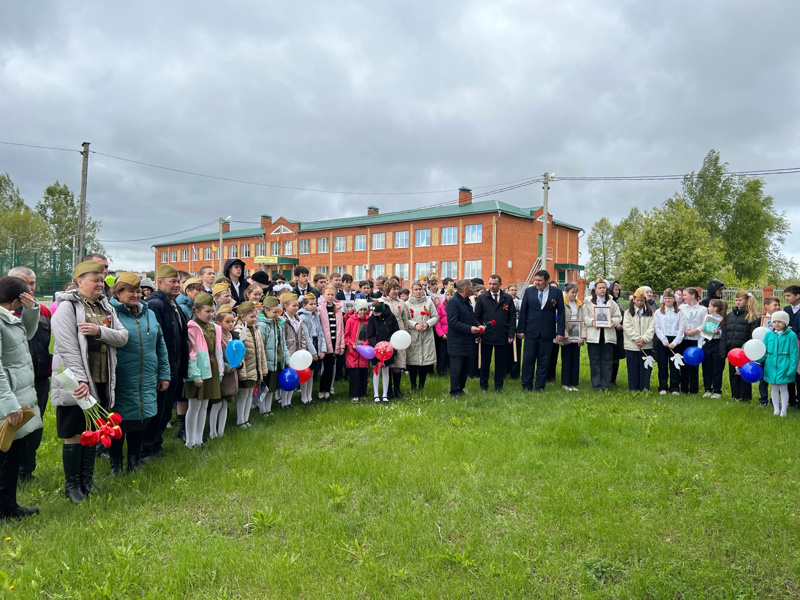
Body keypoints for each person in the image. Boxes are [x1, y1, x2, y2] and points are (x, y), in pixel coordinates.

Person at [51, 261, 128, 503]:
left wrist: (99, 331)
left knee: (92, 429)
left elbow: (123, 337)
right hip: (77, 381)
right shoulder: (67, 308)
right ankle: (72, 486)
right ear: (78, 283)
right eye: (94, 279)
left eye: (101, 279)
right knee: (74, 432)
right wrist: (80, 380)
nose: (99, 283)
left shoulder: (106, 308)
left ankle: (87, 480)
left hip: (102, 378)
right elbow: (67, 347)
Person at [109, 273, 170, 474]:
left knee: (139, 420)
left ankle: (133, 462)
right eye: (131, 291)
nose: (136, 295)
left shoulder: (148, 314)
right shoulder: (110, 314)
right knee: (119, 421)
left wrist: (164, 373)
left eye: (138, 291)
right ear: (118, 293)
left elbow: (160, 344)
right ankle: (116, 463)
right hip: (122, 376)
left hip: (147, 375)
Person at [0, 276, 43, 521]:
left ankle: (8, 506)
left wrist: (31, 309)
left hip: (17, 395)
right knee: (4, 456)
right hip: (8, 400)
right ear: (17, 298)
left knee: (13, 453)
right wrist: (10, 405)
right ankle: (3, 509)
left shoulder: (9, 319)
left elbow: (25, 334)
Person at [8, 266, 51, 483]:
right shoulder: (5, 312)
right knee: (13, 427)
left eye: (32, 283)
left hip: (39, 379)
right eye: (23, 283)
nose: (29, 288)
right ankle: (11, 472)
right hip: (12, 383)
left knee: (35, 426)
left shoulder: (42, 310)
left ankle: (27, 470)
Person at [141, 264, 189, 460]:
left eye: (178, 281)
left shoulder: (173, 304)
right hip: (163, 366)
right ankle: (146, 448)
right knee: (157, 409)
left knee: (165, 409)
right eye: (173, 281)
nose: (177, 285)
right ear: (160, 283)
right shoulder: (156, 304)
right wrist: (161, 369)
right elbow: (155, 340)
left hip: (174, 365)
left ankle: (155, 444)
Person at [184, 293, 222, 446]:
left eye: (212, 311)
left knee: (205, 404)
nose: (211, 314)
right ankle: (190, 440)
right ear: (197, 311)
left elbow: (218, 350)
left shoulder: (214, 327)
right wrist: (195, 375)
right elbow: (191, 353)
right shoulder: (192, 328)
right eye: (207, 311)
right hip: (198, 370)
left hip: (211, 368)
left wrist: (220, 371)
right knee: (194, 406)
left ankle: (199, 440)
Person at [517, 270, 565, 392]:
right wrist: (521, 330)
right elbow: (523, 312)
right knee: (528, 359)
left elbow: (561, 314)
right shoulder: (529, 291)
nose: (537, 283)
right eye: (536, 280)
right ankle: (527, 385)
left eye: (540, 281)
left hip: (547, 332)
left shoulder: (557, 292)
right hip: (531, 331)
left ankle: (540, 386)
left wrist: (560, 332)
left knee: (544, 360)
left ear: (547, 280)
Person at [474, 274, 515, 393]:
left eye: (494, 284)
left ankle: (499, 386)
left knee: (500, 363)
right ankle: (484, 386)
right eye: (490, 284)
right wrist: (479, 333)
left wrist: (511, 333)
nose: (492, 286)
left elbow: (512, 317)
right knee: (485, 362)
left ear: (500, 284)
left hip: (502, 334)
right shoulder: (482, 298)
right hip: (487, 335)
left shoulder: (507, 298)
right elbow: (476, 317)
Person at [582, 278, 623, 392]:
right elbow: (584, 317)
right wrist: (593, 322)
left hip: (608, 335)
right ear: (595, 289)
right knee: (594, 361)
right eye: (600, 288)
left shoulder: (611, 302)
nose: (602, 290)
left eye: (604, 288)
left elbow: (618, 317)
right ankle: (596, 385)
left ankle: (606, 385)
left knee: (607, 360)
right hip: (593, 335)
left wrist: (612, 322)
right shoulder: (588, 302)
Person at [720, 289, 759, 402]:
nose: (737, 302)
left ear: (746, 301)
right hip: (732, 351)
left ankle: (745, 398)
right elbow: (725, 334)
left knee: (744, 374)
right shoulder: (730, 316)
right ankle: (735, 396)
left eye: (740, 300)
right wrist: (723, 350)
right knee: (733, 374)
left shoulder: (751, 317)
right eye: (736, 300)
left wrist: (749, 350)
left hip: (744, 351)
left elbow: (752, 335)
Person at [233, 302, 267, 427]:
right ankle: (240, 420)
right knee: (243, 396)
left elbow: (260, 350)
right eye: (251, 317)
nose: (254, 319)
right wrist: (242, 370)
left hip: (254, 368)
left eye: (254, 317)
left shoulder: (255, 329)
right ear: (242, 317)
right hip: (245, 369)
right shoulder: (239, 331)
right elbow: (238, 353)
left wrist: (262, 368)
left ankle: (246, 419)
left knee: (248, 395)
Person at [760, 311, 799, 417]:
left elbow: (794, 353)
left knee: (783, 387)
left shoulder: (791, 335)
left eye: (780, 322)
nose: (777, 324)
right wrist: (759, 360)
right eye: (774, 321)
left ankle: (784, 410)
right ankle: (776, 409)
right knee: (774, 387)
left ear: (785, 323)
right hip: (771, 365)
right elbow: (764, 350)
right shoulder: (768, 335)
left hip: (784, 365)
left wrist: (792, 369)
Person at [446, 279, 481, 397]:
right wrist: (469, 329)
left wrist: (478, 326)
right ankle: (454, 391)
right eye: (471, 287)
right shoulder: (453, 302)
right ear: (465, 289)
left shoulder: (467, 302)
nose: (473, 289)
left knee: (465, 366)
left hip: (468, 340)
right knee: (457, 368)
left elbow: (472, 317)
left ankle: (461, 388)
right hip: (457, 341)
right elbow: (452, 322)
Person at [406, 280, 440, 394]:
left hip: (426, 335)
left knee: (424, 362)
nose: (418, 291)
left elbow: (435, 316)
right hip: (414, 334)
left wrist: (427, 323)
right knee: (413, 362)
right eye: (416, 289)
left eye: (420, 289)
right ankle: (413, 384)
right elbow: (406, 319)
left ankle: (421, 385)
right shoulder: (407, 304)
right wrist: (415, 325)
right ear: (412, 290)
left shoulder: (429, 302)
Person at [256, 296, 287, 415]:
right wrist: (262, 363)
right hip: (266, 361)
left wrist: (286, 358)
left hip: (275, 360)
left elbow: (282, 342)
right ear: (266, 311)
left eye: (278, 312)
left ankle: (268, 409)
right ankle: (262, 409)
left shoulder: (278, 324)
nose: (276, 315)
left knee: (271, 388)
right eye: (274, 312)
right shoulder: (262, 326)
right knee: (265, 387)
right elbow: (261, 345)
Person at [381, 279, 410, 399]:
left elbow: (405, 319)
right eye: (394, 289)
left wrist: (405, 333)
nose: (396, 291)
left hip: (399, 334)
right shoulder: (381, 302)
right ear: (388, 289)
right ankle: (387, 390)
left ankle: (397, 389)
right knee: (388, 363)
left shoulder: (402, 303)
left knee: (398, 363)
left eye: (398, 289)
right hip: (386, 333)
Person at [654, 289, 686, 396]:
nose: (668, 300)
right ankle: (663, 386)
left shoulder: (680, 312)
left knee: (675, 365)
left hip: (675, 340)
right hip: (663, 340)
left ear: (674, 299)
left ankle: (674, 387)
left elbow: (682, 328)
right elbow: (657, 327)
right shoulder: (658, 312)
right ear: (663, 299)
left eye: (670, 298)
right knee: (662, 364)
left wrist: (675, 342)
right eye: (666, 298)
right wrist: (664, 340)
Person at [623, 288, 655, 391]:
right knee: (633, 367)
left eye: (642, 300)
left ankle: (644, 387)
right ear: (633, 300)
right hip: (632, 345)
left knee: (645, 367)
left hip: (646, 345)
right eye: (638, 300)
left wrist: (644, 339)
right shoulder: (628, 313)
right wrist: (637, 339)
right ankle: (633, 387)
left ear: (645, 300)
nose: (640, 302)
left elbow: (652, 328)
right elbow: (628, 328)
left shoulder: (650, 313)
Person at [367, 298, 398, 403]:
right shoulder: (372, 319)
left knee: (386, 370)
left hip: (388, 349)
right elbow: (370, 335)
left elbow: (395, 331)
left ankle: (385, 394)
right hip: (377, 349)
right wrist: (377, 346)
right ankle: (376, 394)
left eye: (376, 312)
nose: (374, 314)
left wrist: (389, 344)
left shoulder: (391, 317)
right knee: (376, 370)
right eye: (373, 312)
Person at [679, 288, 708, 395]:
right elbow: (679, 320)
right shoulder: (681, 308)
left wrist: (696, 330)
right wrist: (684, 330)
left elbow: (705, 323)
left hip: (696, 339)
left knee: (694, 364)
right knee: (684, 364)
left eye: (685, 295)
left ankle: (694, 389)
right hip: (684, 338)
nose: (683, 297)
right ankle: (684, 387)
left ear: (692, 296)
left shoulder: (703, 309)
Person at [317, 286, 344, 401]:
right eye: (328, 294)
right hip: (325, 342)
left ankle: (327, 391)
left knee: (331, 368)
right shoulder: (319, 309)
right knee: (326, 368)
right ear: (323, 295)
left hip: (335, 341)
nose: (330, 296)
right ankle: (321, 390)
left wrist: (341, 345)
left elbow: (341, 327)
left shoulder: (337, 309)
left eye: (332, 294)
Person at [214, 304, 239, 432]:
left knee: (225, 403)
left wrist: (239, 363)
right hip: (221, 374)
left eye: (232, 321)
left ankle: (221, 431)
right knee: (217, 404)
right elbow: (217, 355)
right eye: (227, 322)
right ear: (219, 323)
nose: (231, 324)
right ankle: (213, 431)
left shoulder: (233, 337)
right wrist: (229, 367)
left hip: (231, 375)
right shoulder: (218, 338)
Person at [297, 294, 325, 404]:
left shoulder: (316, 316)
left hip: (316, 342)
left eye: (315, 304)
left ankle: (309, 396)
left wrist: (322, 350)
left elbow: (321, 333)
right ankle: (304, 397)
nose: (314, 306)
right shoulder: (302, 317)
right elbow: (306, 337)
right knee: (306, 373)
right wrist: (313, 352)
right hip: (308, 346)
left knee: (312, 373)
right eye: (311, 304)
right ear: (304, 305)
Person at [344, 299, 371, 403]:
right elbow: (346, 335)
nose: (363, 312)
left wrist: (364, 344)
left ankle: (362, 393)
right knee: (354, 374)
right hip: (353, 352)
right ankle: (354, 394)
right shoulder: (351, 320)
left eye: (365, 310)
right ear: (357, 310)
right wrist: (351, 344)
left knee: (363, 373)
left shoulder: (368, 321)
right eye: (361, 310)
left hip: (364, 351)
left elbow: (369, 335)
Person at [280, 294, 304, 408]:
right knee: (287, 377)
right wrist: (287, 355)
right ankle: (284, 401)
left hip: (297, 352)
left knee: (293, 378)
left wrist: (303, 351)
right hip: (288, 352)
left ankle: (289, 401)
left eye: (297, 305)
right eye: (293, 305)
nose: (296, 308)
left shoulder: (298, 319)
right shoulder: (283, 321)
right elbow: (282, 339)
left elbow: (302, 336)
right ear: (285, 306)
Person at [758, 296, 783, 406]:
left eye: (778, 305)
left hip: (777, 353)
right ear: (766, 306)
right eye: (775, 305)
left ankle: (775, 400)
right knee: (763, 377)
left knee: (775, 376)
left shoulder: (782, 321)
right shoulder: (760, 320)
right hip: (763, 352)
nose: (777, 307)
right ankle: (763, 399)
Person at [700, 299, 726, 399]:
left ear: (715, 308)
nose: (708, 308)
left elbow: (724, 333)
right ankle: (707, 389)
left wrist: (718, 333)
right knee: (706, 367)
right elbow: (703, 331)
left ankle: (717, 390)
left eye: (710, 306)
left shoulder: (723, 319)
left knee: (717, 368)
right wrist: (700, 345)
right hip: (707, 343)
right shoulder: (707, 317)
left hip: (717, 344)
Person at [560, 282, 583, 391]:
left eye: (576, 293)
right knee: (566, 359)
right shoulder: (562, 303)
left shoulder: (579, 304)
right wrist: (565, 335)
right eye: (572, 292)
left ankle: (574, 383)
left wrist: (582, 336)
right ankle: (565, 383)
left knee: (575, 359)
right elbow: (559, 321)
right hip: (567, 335)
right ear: (566, 292)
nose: (574, 295)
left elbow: (582, 320)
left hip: (576, 335)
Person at [782, 285, 800, 407]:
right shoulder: (786, 309)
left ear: (797, 296)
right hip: (787, 345)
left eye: (789, 295)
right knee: (788, 371)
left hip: (798, 343)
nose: (786, 298)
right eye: (785, 296)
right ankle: (790, 400)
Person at [609, 281, 626, 386]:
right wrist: (615, 324)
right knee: (609, 356)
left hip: (619, 334)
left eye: (619, 290)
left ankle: (613, 379)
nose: (617, 291)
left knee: (616, 357)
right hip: (611, 331)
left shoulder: (618, 302)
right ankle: (608, 378)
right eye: (615, 289)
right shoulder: (609, 301)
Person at [434, 286, 454, 376]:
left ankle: (451, 369)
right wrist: (441, 333)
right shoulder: (441, 307)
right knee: (442, 353)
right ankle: (441, 371)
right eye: (448, 294)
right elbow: (437, 322)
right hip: (443, 334)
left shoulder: (456, 306)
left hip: (453, 334)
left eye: (452, 294)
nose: (449, 296)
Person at [505, 284, 523, 380]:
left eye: (515, 290)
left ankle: (515, 372)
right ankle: (505, 370)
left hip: (517, 328)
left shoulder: (520, 302)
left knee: (516, 351)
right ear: (507, 290)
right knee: (505, 351)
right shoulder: (504, 301)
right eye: (511, 290)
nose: (513, 292)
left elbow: (522, 315)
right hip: (506, 329)